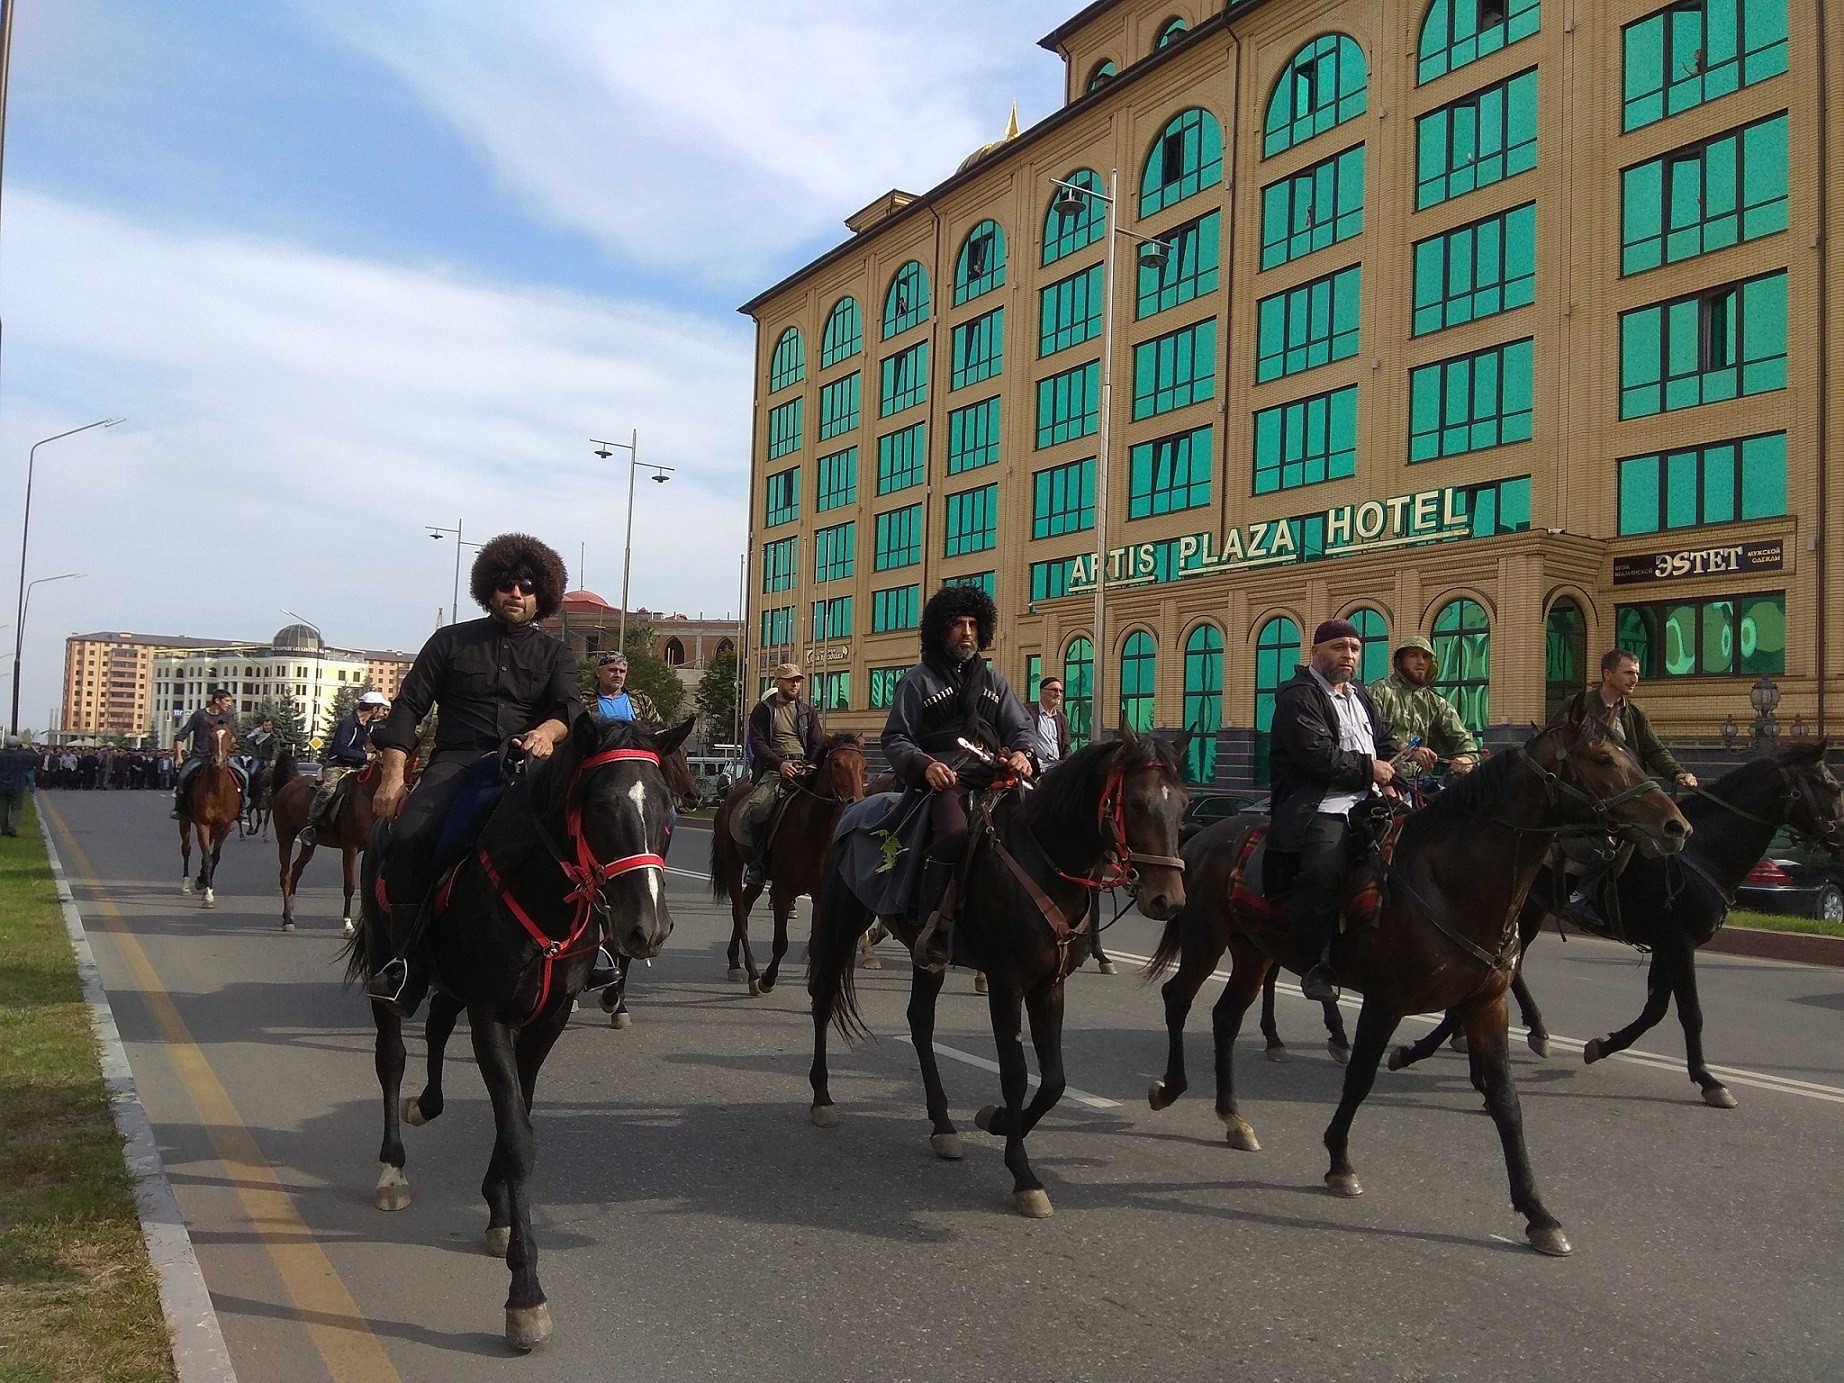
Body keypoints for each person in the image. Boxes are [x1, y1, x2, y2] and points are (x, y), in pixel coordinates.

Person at [366, 533, 582, 1018]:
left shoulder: (555, 654)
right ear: (490, 589)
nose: (517, 594)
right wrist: (393, 774)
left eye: (527, 587)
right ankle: (410, 963)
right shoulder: (450, 642)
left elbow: (569, 707)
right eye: (507, 585)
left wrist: (548, 730)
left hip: (529, 763)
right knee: (409, 836)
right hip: (457, 762)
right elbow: (408, 707)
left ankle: (598, 949)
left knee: (590, 835)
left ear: (541, 595)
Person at [882, 584, 1035, 972]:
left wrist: (1022, 753)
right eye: (957, 624)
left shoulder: (995, 683)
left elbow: (1022, 728)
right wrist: (924, 765)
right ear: (940, 630)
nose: (967, 632)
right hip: (945, 778)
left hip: (994, 774)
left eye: (972, 624)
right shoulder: (917, 681)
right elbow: (895, 738)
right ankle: (935, 924)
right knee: (952, 836)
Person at [1266, 618, 1401, 1002]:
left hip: (1369, 799)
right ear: (1316, 652)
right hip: (1319, 804)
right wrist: (1370, 769)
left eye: (1355, 649)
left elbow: (1384, 740)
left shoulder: (1359, 694)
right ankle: (1314, 963)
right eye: (1339, 647)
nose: (1348, 655)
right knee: (1323, 871)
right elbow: (1316, 756)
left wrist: (1396, 767)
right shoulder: (1299, 696)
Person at [1553, 648, 1697, 931]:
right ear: (1608, 674)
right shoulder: (1579, 705)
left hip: (1623, 792)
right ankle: (1579, 897)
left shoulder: (1633, 713)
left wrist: (1678, 773)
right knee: (1611, 845)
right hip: (1587, 791)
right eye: (1628, 673)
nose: (1635, 679)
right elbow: (1553, 743)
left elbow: (1654, 751)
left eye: (1637, 673)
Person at [735, 663, 825, 889]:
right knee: (759, 808)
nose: (795, 684)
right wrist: (780, 764)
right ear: (778, 682)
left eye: (798, 680)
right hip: (775, 769)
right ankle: (757, 864)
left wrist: (812, 764)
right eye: (789, 680)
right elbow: (758, 743)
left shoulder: (808, 711)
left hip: (804, 768)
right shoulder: (763, 710)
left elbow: (816, 742)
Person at [1365, 634, 1477, 779]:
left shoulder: (1435, 702)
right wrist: (1408, 750)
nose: (1421, 662)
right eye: (1413, 656)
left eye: (1426, 657)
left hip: (1421, 782)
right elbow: (1369, 735)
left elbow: (1463, 739)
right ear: (1399, 662)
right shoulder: (1379, 691)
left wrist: (1468, 759)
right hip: (1383, 780)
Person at [299, 691, 389, 846]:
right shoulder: (347, 723)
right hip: (337, 766)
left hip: (358, 767)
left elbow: (375, 743)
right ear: (373, 709)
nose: (382, 712)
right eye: (380, 708)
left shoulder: (369, 726)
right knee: (328, 790)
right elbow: (341, 750)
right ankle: (312, 825)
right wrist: (366, 756)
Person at [170, 688, 238, 819]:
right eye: (227, 701)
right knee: (183, 777)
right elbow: (180, 736)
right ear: (217, 700)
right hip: (199, 757)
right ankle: (179, 808)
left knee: (243, 776)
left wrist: (229, 738)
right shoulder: (199, 715)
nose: (229, 704)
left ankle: (241, 808)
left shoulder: (228, 717)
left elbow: (234, 738)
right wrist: (178, 756)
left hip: (222, 758)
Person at [585, 652, 662, 728]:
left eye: (622, 671)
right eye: (612, 670)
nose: (618, 675)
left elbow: (659, 729)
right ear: (599, 672)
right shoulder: (583, 702)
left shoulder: (642, 701)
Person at [1029, 675, 1072, 771]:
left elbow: (1066, 747)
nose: (1058, 694)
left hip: (1056, 769)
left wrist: (1067, 764)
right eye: (1054, 690)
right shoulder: (1027, 713)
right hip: (1035, 768)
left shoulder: (1062, 718)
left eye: (1060, 691)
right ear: (1042, 692)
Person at [0, 734, 36, 836]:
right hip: (17, 785)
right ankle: (12, 826)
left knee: (3, 808)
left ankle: (3, 829)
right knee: (16, 808)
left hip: (2, 785)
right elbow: (37, 758)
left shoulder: (1, 754)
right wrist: (29, 748)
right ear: (18, 744)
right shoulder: (22, 755)